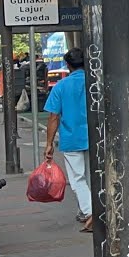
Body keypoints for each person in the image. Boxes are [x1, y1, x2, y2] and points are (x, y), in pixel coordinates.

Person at [43, 48, 92, 231]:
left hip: (72, 139)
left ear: (68, 66)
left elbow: (53, 117)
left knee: (77, 178)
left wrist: (49, 144)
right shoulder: (95, 82)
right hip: (95, 137)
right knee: (89, 176)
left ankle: (89, 212)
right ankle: (85, 211)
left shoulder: (61, 87)